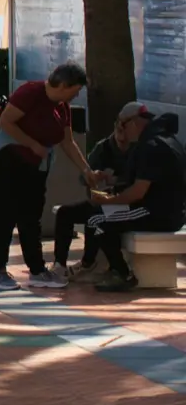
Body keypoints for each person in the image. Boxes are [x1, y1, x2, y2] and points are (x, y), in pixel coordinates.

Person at [0, 63, 95, 291]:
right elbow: (5, 122)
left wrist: (86, 170)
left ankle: (37, 270)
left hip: (36, 166)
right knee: (5, 214)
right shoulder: (30, 93)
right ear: (62, 85)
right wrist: (32, 144)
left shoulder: (63, 107)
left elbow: (67, 142)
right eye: (75, 90)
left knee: (31, 216)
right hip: (8, 160)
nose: (77, 95)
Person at [50, 101, 185, 291]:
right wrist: (110, 183)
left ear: (134, 123)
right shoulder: (158, 139)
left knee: (98, 219)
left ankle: (121, 272)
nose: (121, 131)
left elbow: (139, 191)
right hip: (153, 207)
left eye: (122, 125)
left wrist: (109, 200)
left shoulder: (151, 145)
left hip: (157, 213)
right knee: (79, 213)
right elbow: (142, 181)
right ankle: (68, 267)